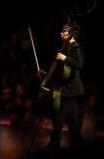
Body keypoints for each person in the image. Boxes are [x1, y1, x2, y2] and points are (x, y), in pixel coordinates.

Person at [39, 21, 85, 152]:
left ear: (71, 34)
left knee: (58, 117)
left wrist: (66, 58)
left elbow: (79, 64)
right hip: (65, 90)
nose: (61, 33)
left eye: (64, 31)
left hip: (70, 90)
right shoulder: (65, 47)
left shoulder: (75, 47)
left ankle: (54, 145)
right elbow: (61, 71)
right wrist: (46, 74)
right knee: (72, 121)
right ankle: (78, 145)